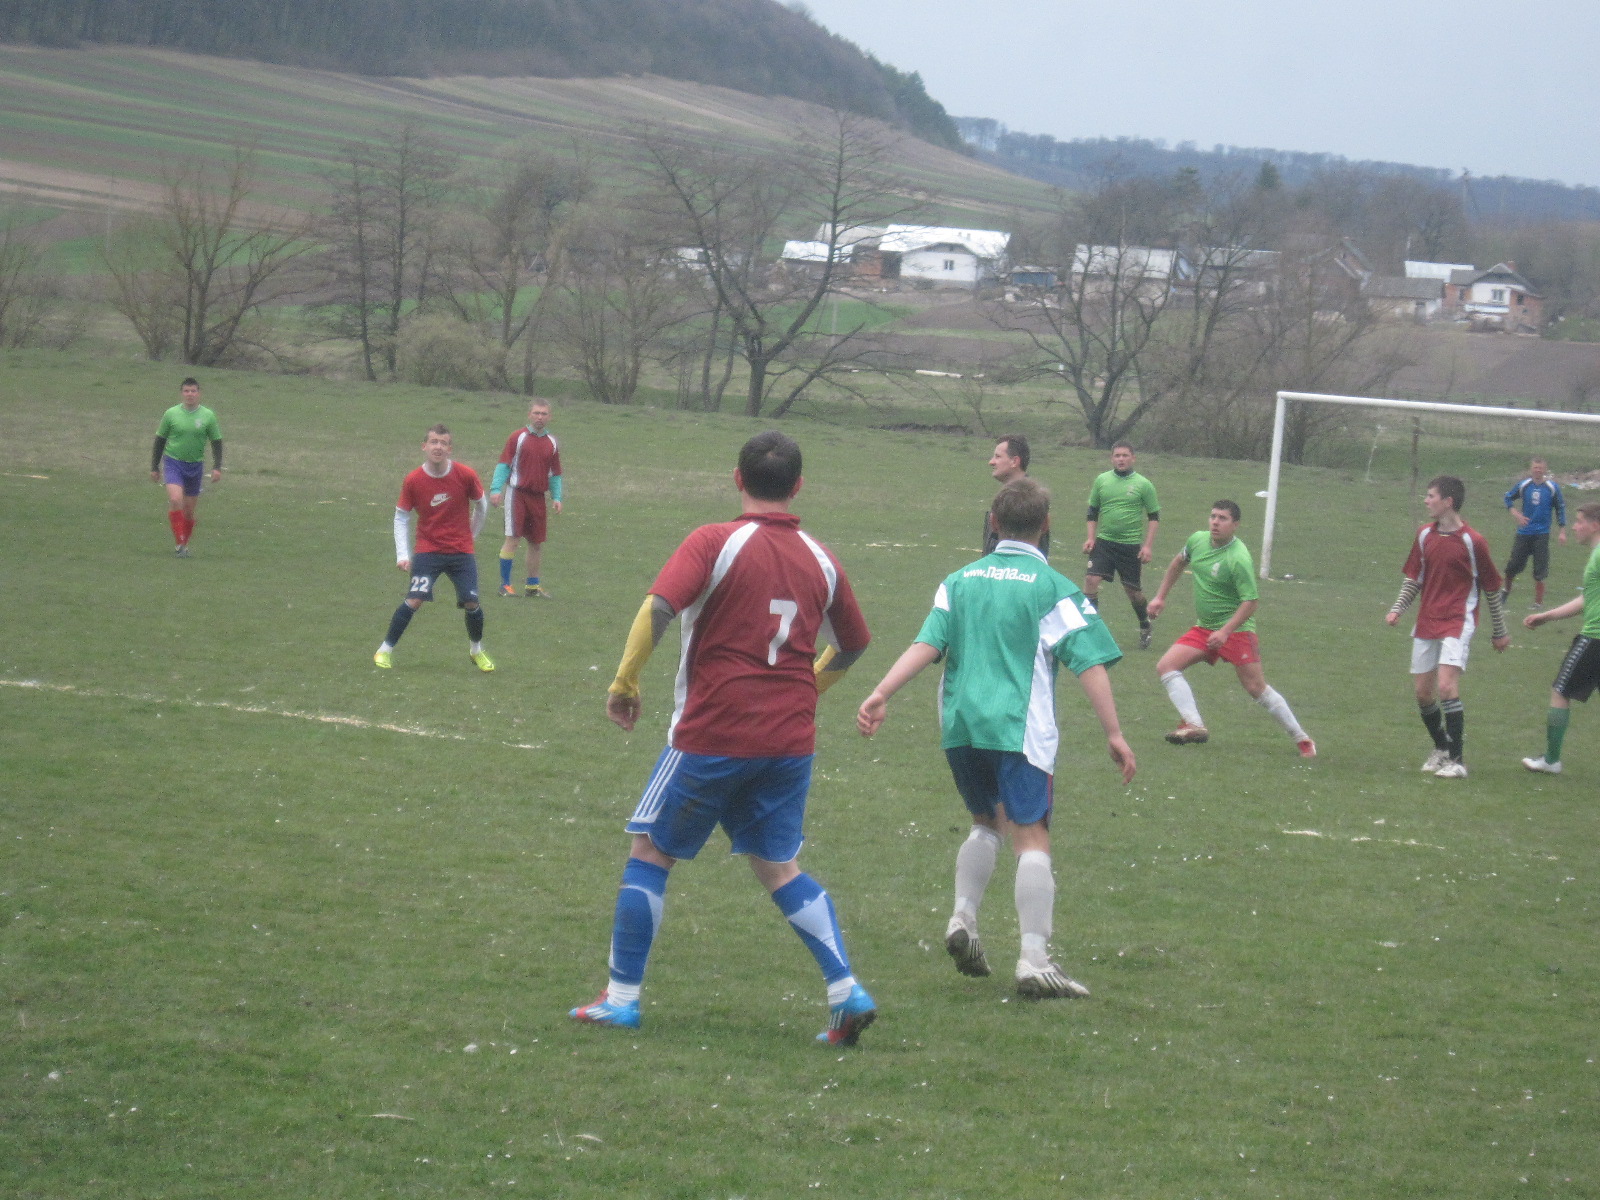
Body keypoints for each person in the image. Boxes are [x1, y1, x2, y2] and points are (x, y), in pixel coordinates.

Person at [570, 431, 876, 1045]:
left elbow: (657, 608)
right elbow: (854, 643)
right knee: (779, 866)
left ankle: (621, 1000)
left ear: (737, 479)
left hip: (713, 732)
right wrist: (807, 689)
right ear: (798, 486)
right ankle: (846, 990)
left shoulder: (714, 541)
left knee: (650, 852)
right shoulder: (821, 558)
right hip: (789, 742)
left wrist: (625, 682)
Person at [858, 477, 1135, 1000]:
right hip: (1018, 730)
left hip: (961, 726)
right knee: (1031, 835)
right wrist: (1115, 733)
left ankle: (963, 917)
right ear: (1046, 524)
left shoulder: (958, 581)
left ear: (993, 522)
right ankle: (1034, 960)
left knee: (987, 821)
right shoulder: (1053, 588)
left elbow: (926, 643)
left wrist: (881, 692)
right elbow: (1090, 663)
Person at [1146, 500, 1315, 757]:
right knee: (1167, 666)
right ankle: (1194, 725)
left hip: (1236, 631)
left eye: (1223, 518)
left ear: (1235, 525)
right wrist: (1160, 597)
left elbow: (1251, 602)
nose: (1215, 522)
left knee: (1256, 688)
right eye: (1213, 516)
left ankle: (1302, 739)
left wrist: (1225, 631)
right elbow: (1179, 562)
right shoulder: (1197, 541)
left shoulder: (1238, 558)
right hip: (1205, 629)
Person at [1385, 476, 1508, 778]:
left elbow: (1491, 588)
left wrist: (1500, 630)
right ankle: (1441, 748)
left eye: (1431, 496)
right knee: (1423, 693)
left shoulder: (1473, 541)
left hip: (1457, 620)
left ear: (1448, 502)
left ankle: (1457, 761)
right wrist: (1398, 608)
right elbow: (1415, 578)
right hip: (1427, 620)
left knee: (1446, 686)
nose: (1426, 501)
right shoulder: (1424, 535)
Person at [373, 425, 494, 672]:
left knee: (471, 602)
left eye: (443, 443)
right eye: (433, 442)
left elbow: (481, 505)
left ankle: (476, 651)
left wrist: (471, 536)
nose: (438, 447)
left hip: (461, 552)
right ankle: (384, 650)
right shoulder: (414, 480)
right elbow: (401, 515)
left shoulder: (465, 475)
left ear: (450, 449)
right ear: (424, 446)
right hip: (428, 551)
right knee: (414, 599)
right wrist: (403, 554)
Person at [1518, 502, 1600, 774]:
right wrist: (1548, 616)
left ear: (1595, 525)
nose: (1574, 527)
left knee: (1561, 691)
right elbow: (1586, 599)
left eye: (1579, 522)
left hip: (1595, 638)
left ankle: (1551, 760)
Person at [1082, 441, 1160, 649]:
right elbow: (1092, 511)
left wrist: (1147, 546)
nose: (1121, 459)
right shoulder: (1102, 480)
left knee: (1133, 592)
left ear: (1133, 458)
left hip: (1130, 546)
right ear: (1112, 459)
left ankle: (1145, 624)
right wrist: (1090, 538)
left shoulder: (1143, 484)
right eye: (1117, 455)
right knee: (1091, 580)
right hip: (1104, 542)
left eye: (1125, 455)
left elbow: (1154, 517)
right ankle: (1091, 629)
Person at [490, 399, 563, 598]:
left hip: (538, 497)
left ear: (550, 417)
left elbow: (555, 473)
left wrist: (557, 497)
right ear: (529, 415)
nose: (540, 417)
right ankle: (505, 585)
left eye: (544, 414)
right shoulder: (518, 437)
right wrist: (496, 489)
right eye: (536, 413)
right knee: (512, 539)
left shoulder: (552, 442)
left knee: (536, 542)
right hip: (517, 494)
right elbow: (504, 464)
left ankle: (532, 586)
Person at [149, 377, 223, 556]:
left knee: (189, 512)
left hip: (195, 466)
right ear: (182, 393)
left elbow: (216, 441)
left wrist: (217, 467)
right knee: (176, 500)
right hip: (173, 462)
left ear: (199, 393)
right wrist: (154, 466)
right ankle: (180, 544)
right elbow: (160, 440)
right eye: (186, 391)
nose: (190, 394)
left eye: (193, 391)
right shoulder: (171, 414)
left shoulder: (208, 416)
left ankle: (183, 543)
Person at [1500, 457, 1567, 610]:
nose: (1538, 470)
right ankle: (1505, 592)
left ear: (1545, 470)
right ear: (1531, 469)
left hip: (1542, 533)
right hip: (1524, 532)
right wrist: (1515, 513)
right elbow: (1508, 497)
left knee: (1540, 569)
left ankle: (1538, 603)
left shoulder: (1552, 488)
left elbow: (1560, 508)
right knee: (1513, 565)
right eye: (1535, 467)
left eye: (1540, 468)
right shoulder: (1524, 485)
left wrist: (1562, 530)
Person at [982, 435, 1048, 556]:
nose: (991, 462)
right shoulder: (1005, 498)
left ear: (1014, 461)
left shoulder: (1032, 502)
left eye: (998, 456)